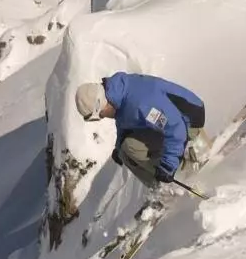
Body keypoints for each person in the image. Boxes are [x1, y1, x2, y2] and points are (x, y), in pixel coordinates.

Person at [75, 72, 210, 188]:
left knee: (130, 147)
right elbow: (125, 123)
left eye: (99, 115)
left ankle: (181, 179)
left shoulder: (141, 105)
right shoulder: (118, 93)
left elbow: (176, 127)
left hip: (188, 123)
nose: (102, 118)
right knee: (124, 150)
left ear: (101, 105)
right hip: (177, 121)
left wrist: (168, 166)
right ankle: (161, 186)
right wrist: (119, 147)